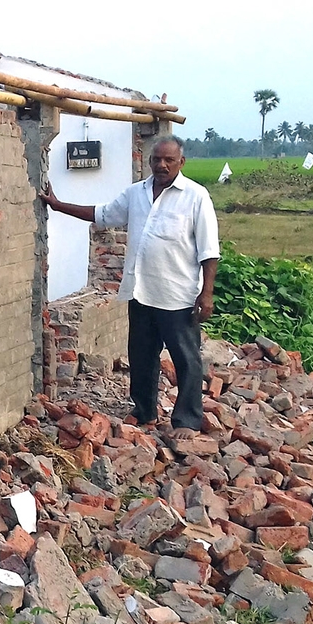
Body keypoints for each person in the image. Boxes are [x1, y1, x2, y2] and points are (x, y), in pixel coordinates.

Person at [38, 136, 220, 440]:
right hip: (141, 293)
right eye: (156, 159)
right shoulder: (137, 193)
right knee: (141, 356)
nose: (161, 165)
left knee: (187, 359)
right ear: (149, 161)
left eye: (168, 160)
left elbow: (209, 250)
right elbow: (103, 214)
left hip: (179, 296)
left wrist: (207, 293)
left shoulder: (196, 197)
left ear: (181, 163)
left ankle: (187, 420)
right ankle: (145, 411)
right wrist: (57, 206)